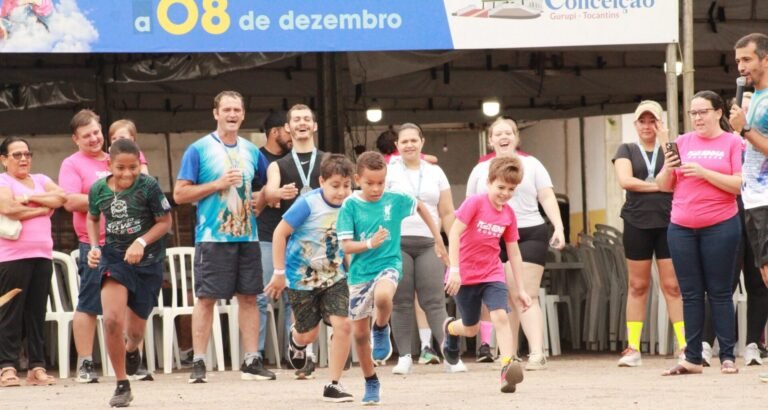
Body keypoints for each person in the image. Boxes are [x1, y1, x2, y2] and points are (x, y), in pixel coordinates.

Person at [173, 90, 273, 383]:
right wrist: (217, 184)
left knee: (250, 297)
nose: (232, 115)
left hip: (247, 237)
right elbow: (179, 194)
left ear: (243, 115)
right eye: (226, 110)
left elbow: (266, 186)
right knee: (206, 298)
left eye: (236, 110)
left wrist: (260, 202)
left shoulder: (252, 151)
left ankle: (252, 360)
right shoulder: (199, 149)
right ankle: (199, 362)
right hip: (212, 238)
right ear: (215, 113)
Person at [336, 151, 447, 405]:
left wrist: (437, 238)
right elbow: (346, 246)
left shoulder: (395, 199)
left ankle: (381, 326)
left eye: (381, 183)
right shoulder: (350, 206)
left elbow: (420, 206)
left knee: (384, 296)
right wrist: (369, 243)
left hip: (389, 264)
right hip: (360, 273)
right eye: (370, 183)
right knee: (359, 336)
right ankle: (371, 381)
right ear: (357, 180)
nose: (376, 189)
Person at [465, 117, 565, 369]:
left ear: (516, 137)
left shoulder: (532, 165)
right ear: (490, 140)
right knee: (503, 297)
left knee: (525, 292)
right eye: (498, 134)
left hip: (528, 232)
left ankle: (537, 353)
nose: (503, 137)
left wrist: (559, 226)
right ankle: (508, 355)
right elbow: (469, 207)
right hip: (491, 235)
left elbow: (546, 196)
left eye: (508, 133)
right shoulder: (480, 170)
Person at [657, 90, 743, 376]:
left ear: (718, 112)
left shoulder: (732, 142)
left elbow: (738, 184)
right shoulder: (682, 142)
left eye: (703, 112)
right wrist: (668, 168)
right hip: (681, 226)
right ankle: (692, 357)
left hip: (721, 224)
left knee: (719, 292)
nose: (697, 118)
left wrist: (705, 172)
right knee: (690, 293)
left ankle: (727, 356)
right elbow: (664, 185)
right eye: (693, 113)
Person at [85, 139, 172, 407]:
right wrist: (94, 247)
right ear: (109, 164)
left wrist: (141, 242)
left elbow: (165, 222)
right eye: (120, 168)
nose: (127, 173)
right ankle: (122, 383)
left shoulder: (148, 186)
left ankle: (132, 349)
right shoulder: (98, 189)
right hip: (115, 258)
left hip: (148, 261)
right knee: (112, 319)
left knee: (135, 331)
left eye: (133, 167)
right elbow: (92, 217)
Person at [264, 154, 355, 403]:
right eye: (335, 186)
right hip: (301, 279)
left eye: (346, 186)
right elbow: (279, 234)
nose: (341, 192)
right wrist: (279, 272)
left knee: (343, 324)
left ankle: (333, 384)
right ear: (321, 182)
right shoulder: (307, 203)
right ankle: (297, 340)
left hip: (335, 277)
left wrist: (355, 274)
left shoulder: (351, 205)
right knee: (308, 335)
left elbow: (348, 242)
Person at [443, 156, 532, 393]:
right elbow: (454, 234)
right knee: (470, 328)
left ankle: (506, 367)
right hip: (464, 274)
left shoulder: (509, 214)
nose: (505, 193)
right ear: (489, 182)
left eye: (511, 189)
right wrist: (454, 270)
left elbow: (514, 252)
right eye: (501, 187)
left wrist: (521, 289)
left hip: (492, 272)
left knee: (500, 316)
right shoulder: (475, 203)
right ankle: (450, 329)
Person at [385, 123, 464, 374]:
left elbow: (447, 212)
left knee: (435, 302)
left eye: (413, 140)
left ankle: (450, 356)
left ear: (422, 142)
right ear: (396, 145)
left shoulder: (435, 172)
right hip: (397, 243)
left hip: (430, 243)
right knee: (401, 302)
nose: (409, 145)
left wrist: (451, 245)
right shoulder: (388, 171)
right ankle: (404, 357)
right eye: (404, 141)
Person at [612, 101, 685, 367]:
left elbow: (677, 175)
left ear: (660, 123)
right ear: (635, 124)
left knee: (672, 285)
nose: (647, 126)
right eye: (642, 121)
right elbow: (626, 181)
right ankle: (633, 347)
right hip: (637, 221)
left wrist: (666, 141)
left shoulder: (671, 147)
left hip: (669, 220)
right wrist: (659, 186)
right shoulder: (627, 149)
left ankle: (684, 345)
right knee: (638, 285)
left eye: (652, 121)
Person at [263, 104, 325, 378]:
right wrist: (278, 192)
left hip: (325, 240)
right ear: (287, 127)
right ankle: (306, 354)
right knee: (301, 299)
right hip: (294, 242)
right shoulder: (278, 165)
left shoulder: (328, 160)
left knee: (326, 297)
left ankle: (315, 351)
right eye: (296, 119)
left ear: (314, 126)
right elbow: (269, 193)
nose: (302, 123)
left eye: (306, 119)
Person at [0, 136, 65, 387]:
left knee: (37, 312)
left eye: (27, 154)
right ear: (4, 160)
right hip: (12, 256)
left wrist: (27, 198)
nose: (23, 159)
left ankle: (37, 366)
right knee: (10, 312)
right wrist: (40, 208)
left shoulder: (41, 179)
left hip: (42, 254)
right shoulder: (4, 181)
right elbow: (8, 208)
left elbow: (60, 198)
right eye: (17, 155)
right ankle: (7, 366)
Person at [59, 109, 110, 383]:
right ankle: (85, 362)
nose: (93, 139)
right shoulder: (72, 164)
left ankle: (131, 358)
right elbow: (69, 200)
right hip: (93, 244)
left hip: (124, 242)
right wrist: (108, 196)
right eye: (86, 135)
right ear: (75, 139)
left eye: (96, 132)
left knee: (127, 302)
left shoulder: (116, 159)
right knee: (89, 302)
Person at [730, 33, 768, 372]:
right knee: (764, 274)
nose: (741, 67)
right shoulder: (752, 97)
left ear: (765, 59)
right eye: (738, 61)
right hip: (753, 198)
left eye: (747, 59)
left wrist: (744, 131)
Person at [255, 111, 293, 364]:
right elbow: (248, 195)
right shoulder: (257, 158)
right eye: (288, 130)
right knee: (260, 297)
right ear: (275, 131)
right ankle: (255, 355)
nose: (293, 135)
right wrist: (270, 193)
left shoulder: (295, 159)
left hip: (294, 237)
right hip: (265, 234)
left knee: (295, 298)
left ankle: (294, 353)